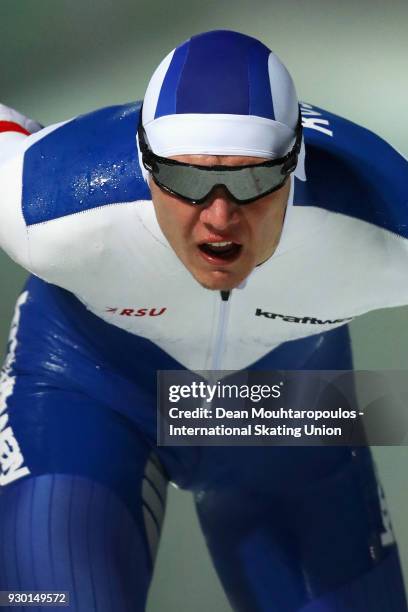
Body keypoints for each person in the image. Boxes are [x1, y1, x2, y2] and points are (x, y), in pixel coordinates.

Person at [0, 29, 407, 612]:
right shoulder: (51, 211)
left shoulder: (380, 231)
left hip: (282, 407)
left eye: (252, 181)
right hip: (87, 388)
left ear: (294, 167)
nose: (219, 216)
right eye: (186, 180)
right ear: (145, 165)